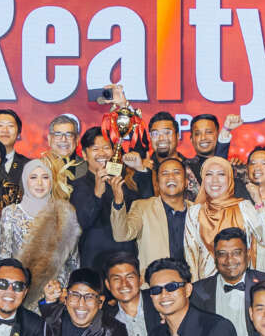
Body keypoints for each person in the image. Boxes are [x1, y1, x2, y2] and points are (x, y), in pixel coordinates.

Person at [190, 227, 265, 336]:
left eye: (236, 253)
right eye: (222, 254)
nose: (229, 260)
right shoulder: (198, 291)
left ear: (248, 254)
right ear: (215, 257)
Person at [0, 158, 80, 310]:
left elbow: (73, 261)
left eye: (45, 177)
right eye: (33, 177)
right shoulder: (11, 213)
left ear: (52, 181)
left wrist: (66, 291)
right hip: (21, 292)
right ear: (25, 180)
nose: (40, 183)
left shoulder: (65, 212)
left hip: (56, 293)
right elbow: (5, 256)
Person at [71, 127, 151, 270]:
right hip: (94, 264)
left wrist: (140, 169)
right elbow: (81, 223)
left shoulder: (125, 181)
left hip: (127, 262)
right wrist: (97, 194)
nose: (102, 153)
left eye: (106, 148)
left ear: (114, 151)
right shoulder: (77, 186)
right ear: (84, 154)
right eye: (95, 149)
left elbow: (147, 206)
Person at [185, 156, 265, 281]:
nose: (215, 180)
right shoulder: (195, 212)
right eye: (209, 174)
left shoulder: (244, 207)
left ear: (230, 179)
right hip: (207, 286)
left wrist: (259, 202)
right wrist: (195, 288)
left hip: (242, 285)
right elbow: (190, 255)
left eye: (221, 174)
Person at [111, 157, 193, 279]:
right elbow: (121, 235)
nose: (171, 177)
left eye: (176, 172)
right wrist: (118, 202)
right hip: (154, 284)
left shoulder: (198, 211)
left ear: (186, 182)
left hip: (192, 283)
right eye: (165, 173)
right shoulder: (142, 207)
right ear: (157, 183)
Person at [184, 113, 244, 200]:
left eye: (209, 132)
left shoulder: (234, 166)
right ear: (191, 139)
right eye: (197, 134)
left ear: (217, 135)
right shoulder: (184, 168)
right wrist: (225, 131)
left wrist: (226, 131)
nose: (203, 137)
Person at [42, 114, 86, 187]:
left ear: (77, 139)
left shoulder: (88, 167)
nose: (63, 139)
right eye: (57, 134)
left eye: (69, 135)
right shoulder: (36, 167)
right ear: (49, 139)